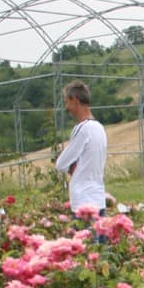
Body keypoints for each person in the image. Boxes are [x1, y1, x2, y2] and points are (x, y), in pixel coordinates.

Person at [54, 80, 108, 217]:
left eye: (67, 101)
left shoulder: (82, 129)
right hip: (98, 198)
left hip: (83, 201)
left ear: (75, 100)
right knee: (99, 238)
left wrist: (72, 167)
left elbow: (61, 164)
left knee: (84, 237)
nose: (67, 107)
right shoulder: (100, 128)